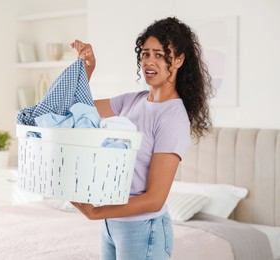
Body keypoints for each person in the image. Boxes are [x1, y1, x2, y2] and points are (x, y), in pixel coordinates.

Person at [69, 16, 214, 260]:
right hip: (111, 225)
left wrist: (97, 211)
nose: (149, 61)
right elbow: (74, 109)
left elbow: (155, 199)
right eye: (145, 53)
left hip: (144, 230)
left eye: (159, 54)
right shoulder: (131, 101)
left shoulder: (172, 117)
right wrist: (87, 68)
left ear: (178, 60)